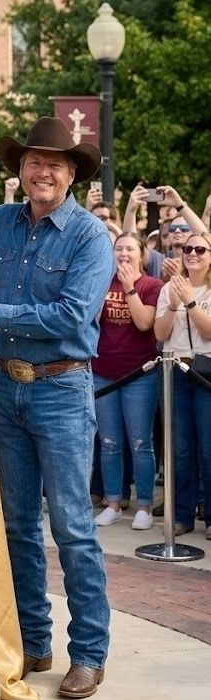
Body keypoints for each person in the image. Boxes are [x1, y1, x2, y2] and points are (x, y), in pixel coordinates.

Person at [0, 116, 114, 699]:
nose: (44, 171)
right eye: (34, 162)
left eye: (56, 165)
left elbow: (72, 316)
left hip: (62, 390)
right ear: (19, 170)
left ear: (72, 176)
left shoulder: (91, 237)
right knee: (15, 526)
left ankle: (89, 653)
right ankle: (33, 641)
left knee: (71, 527)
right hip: (5, 391)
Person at [92, 233, 162, 530]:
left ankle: (144, 504)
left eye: (130, 249)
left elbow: (145, 323)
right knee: (109, 443)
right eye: (118, 248)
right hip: (104, 373)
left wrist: (130, 287)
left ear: (142, 255)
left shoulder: (152, 285)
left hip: (139, 375)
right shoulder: (103, 282)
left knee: (140, 442)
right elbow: (91, 319)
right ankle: (113, 502)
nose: (123, 254)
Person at [154, 229, 211, 540]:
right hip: (174, 370)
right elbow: (160, 334)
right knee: (180, 448)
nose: (192, 254)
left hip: (205, 372)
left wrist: (190, 302)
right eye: (188, 248)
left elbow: (208, 333)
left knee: (208, 449)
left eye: (201, 249)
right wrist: (175, 303)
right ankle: (183, 515)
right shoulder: (168, 289)